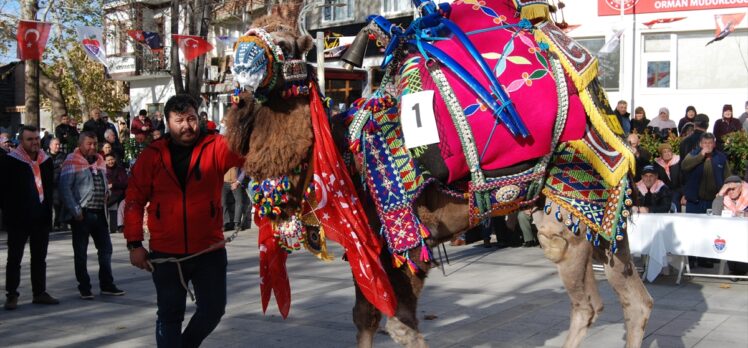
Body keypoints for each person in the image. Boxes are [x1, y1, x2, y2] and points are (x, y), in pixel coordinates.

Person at [124, 94, 244, 347]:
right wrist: (134, 244)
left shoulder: (217, 146)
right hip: (166, 254)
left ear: (198, 118)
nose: (186, 126)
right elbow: (134, 200)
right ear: (167, 122)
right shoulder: (153, 155)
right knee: (169, 316)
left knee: (213, 311)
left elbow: (250, 154)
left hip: (209, 249)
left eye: (191, 118)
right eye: (179, 120)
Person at [60, 132, 126, 299]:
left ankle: (107, 284)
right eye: (89, 144)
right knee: (81, 252)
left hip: (100, 213)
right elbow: (65, 189)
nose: (93, 147)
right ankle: (84, 287)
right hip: (83, 213)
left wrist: (106, 192)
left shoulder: (99, 161)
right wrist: (76, 211)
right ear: (81, 144)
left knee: (106, 250)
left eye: (95, 144)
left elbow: (103, 182)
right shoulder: (72, 160)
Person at [1, 125, 60, 310]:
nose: (34, 142)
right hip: (18, 219)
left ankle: (39, 292)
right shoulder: (11, 161)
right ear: (21, 141)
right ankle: (12, 294)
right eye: (29, 139)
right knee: (15, 259)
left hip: (40, 217)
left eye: (36, 139)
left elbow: (49, 189)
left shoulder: (46, 161)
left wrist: (48, 214)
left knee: (39, 257)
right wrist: (10, 214)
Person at [711, 176, 748, 276]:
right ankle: (735, 270)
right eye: (728, 189)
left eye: (733, 189)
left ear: (741, 187)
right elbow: (716, 212)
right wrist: (721, 193)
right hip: (730, 231)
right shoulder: (724, 196)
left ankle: (740, 269)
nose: (730, 192)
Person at [653, 143, 682, 212]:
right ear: (661, 155)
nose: (667, 153)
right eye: (664, 152)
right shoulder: (658, 164)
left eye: (669, 151)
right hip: (664, 190)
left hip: (678, 189)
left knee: (674, 199)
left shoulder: (678, 161)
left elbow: (683, 179)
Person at [104, 154, 127, 234]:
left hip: (119, 193)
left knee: (116, 204)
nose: (110, 162)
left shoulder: (120, 169)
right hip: (107, 193)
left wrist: (113, 185)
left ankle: (118, 226)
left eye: (112, 159)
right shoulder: (103, 170)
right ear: (105, 162)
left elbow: (124, 183)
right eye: (108, 160)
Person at [48, 138, 67, 231]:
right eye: (56, 144)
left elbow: (65, 167)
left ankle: (58, 223)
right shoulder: (45, 156)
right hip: (47, 183)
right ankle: (49, 224)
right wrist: (56, 166)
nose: (58, 146)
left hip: (59, 182)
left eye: (59, 144)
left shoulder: (63, 156)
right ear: (50, 145)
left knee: (58, 204)